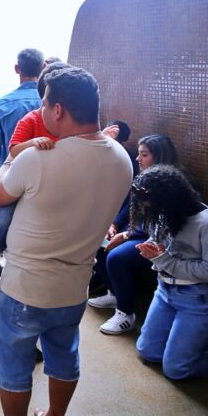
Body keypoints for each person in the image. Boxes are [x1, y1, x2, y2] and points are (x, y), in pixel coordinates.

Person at [0, 66, 132, 416]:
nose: (40, 110)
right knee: (64, 355)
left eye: (44, 103)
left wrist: (11, 157)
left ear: (59, 110)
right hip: (74, 288)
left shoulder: (38, 158)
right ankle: (55, 414)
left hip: (23, 288)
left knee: (14, 368)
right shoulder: (123, 160)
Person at [0, 62, 70, 292]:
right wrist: (33, 143)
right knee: (3, 219)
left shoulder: (67, 126)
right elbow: (14, 148)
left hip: (54, 185)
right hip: (22, 183)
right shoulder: (31, 119)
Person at [88, 134, 180, 334]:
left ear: (160, 156)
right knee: (99, 244)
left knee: (116, 257)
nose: (138, 159)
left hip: (155, 238)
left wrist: (127, 235)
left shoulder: (171, 183)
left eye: (144, 155)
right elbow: (129, 207)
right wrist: (113, 224)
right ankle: (115, 293)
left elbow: (161, 225)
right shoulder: (142, 176)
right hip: (135, 230)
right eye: (139, 154)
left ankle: (125, 315)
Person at [130, 165, 208, 380]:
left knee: (176, 371)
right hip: (164, 290)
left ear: (170, 200)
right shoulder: (165, 213)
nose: (151, 212)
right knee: (148, 352)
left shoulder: (204, 222)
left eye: (152, 207)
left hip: (196, 298)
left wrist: (162, 258)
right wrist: (151, 247)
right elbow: (158, 241)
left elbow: (206, 270)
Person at [0, 48, 45, 170]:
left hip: (12, 176)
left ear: (17, 69)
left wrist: (5, 169)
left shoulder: (1, 105)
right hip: (48, 175)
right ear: (44, 67)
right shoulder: (56, 103)